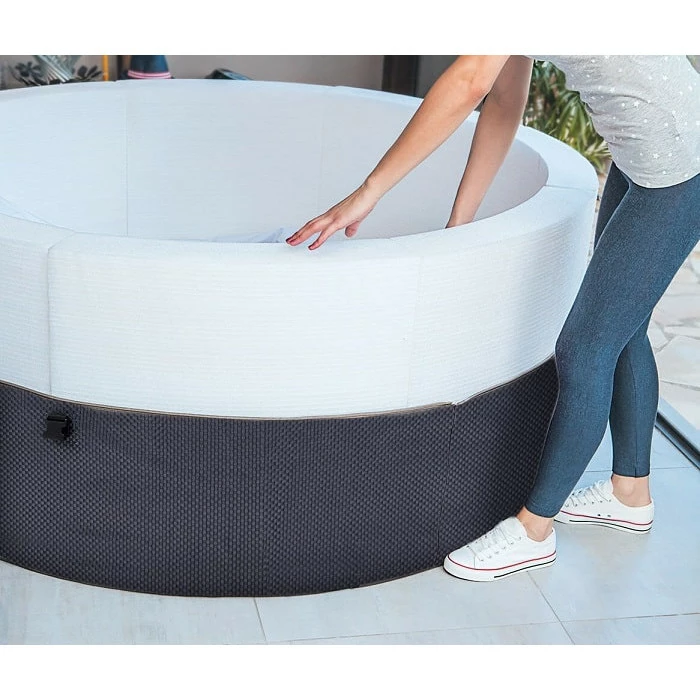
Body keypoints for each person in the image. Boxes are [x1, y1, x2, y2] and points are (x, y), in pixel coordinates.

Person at [285, 55, 700, 582]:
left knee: (585, 350)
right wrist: (460, 221)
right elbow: (503, 99)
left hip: (680, 166)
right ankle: (630, 493)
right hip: (644, 152)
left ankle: (533, 531)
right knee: (624, 328)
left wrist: (369, 192)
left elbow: (468, 84)